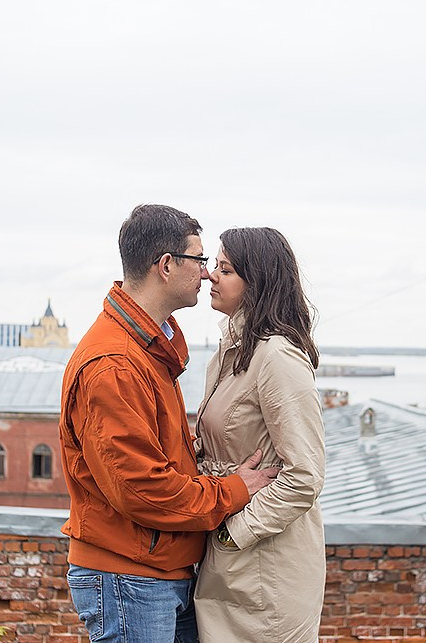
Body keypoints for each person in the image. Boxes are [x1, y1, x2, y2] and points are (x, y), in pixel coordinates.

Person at [59, 205, 279, 643]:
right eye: (199, 261)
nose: (206, 274)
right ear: (166, 265)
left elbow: (162, 454)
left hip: (157, 571)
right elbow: (142, 488)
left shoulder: (146, 349)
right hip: (130, 578)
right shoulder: (116, 364)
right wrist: (235, 489)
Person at [193, 227, 326, 642]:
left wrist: (235, 534)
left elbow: (306, 475)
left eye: (226, 269)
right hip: (227, 559)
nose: (211, 275)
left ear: (258, 284)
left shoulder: (277, 356)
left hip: (267, 566)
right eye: (214, 265)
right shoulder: (230, 351)